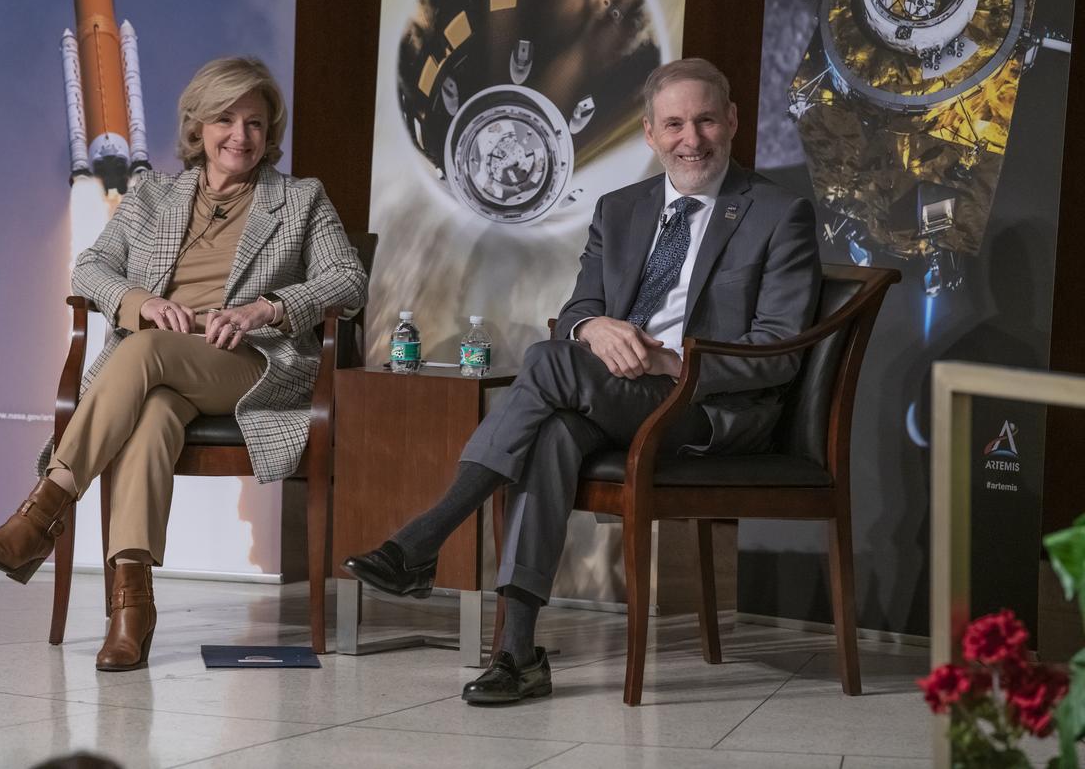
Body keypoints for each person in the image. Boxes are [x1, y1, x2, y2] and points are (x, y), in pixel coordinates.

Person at [344, 57, 820, 704]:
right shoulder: (620, 209)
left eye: (706, 120)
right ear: (649, 132)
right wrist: (593, 327)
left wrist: (672, 363)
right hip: (619, 394)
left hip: (706, 407)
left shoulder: (777, 212)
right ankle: (516, 653)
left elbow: (778, 354)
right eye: (674, 124)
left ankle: (427, 537)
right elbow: (577, 311)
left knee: (546, 363)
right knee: (554, 433)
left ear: (732, 120)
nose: (692, 139)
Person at [0, 57, 367, 671]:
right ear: (198, 127)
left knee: (143, 349)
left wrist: (267, 308)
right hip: (161, 369)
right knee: (151, 416)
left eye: (255, 123)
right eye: (225, 119)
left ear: (270, 133)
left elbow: (349, 280)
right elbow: (90, 267)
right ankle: (132, 609)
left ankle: (43, 511)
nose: (240, 135)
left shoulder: (300, 199)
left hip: (250, 363)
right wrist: (142, 302)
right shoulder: (154, 195)